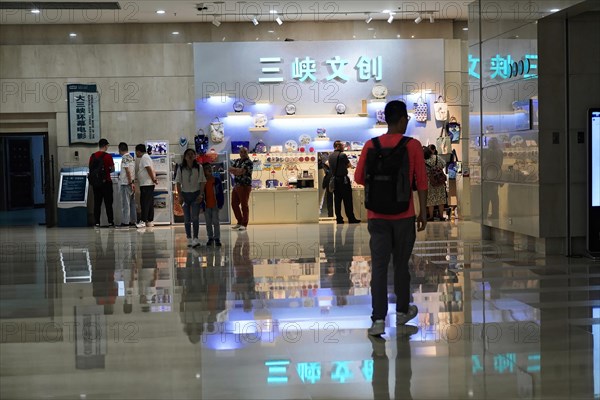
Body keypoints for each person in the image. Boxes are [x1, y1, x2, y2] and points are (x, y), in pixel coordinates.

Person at [354, 100, 428, 337]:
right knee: (401, 265)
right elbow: (421, 181)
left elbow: (358, 177)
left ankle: (378, 319)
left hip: (377, 216)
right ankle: (403, 311)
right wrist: (423, 210)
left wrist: (380, 189)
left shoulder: (370, 145)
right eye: (406, 118)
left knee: (378, 267)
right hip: (404, 215)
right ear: (402, 119)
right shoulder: (412, 145)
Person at [176, 149, 206, 247]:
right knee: (187, 218)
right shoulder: (180, 168)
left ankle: (195, 238)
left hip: (196, 194)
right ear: (184, 156)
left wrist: (201, 194)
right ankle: (189, 238)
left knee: (195, 217)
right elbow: (178, 183)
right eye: (188, 154)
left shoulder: (199, 167)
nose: (190, 156)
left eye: (192, 154)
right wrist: (180, 196)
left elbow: (202, 182)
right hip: (185, 195)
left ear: (195, 156)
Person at [328, 140, 360, 224]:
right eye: (342, 146)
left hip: (335, 180)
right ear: (338, 146)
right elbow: (349, 165)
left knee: (337, 200)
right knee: (347, 200)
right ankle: (351, 218)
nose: (343, 147)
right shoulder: (342, 155)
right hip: (343, 180)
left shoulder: (330, 156)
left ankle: (339, 219)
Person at [89, 138, 115, 227]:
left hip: (96, 183)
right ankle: (110, 222)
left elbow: (91, 169)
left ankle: (97, 222)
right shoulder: (108, 156)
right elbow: (113, 169)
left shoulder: (92, 156)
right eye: (107, 145)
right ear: (105, 146)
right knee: (108, 203)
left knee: (97, 203)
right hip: (106, 182)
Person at [228, 147, 253, 231]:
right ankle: (239, 221)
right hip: (237, 185)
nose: (243, 153)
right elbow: (230, 169)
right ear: (239, 152)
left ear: (247, 152)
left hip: (245, 186)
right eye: (241, 152)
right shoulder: (237, 161)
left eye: (244, 152)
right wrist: (237, 170)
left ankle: (244, 224)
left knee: (244, 205)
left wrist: (236, 171)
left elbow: (241, 171)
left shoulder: (249, 162)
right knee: (234, 204)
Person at [135, 144, 158, 229]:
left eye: (136, 151)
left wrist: (153, 179)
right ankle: (149, 220)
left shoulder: (144, 157)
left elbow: (149, 169)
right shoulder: (147, 157)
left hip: (146, 184)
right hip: (148, 184)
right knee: (149, 203)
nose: (136, 154)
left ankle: (143, 221)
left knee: (144, 203)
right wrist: (154, 179)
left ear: (138, 151)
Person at [202, 163, 224, 247]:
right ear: (203, 171)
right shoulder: (202, 182)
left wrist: (221, 203)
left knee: (216, 222)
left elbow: (220, 193)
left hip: (215, 204)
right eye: (206, 168)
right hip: (206, 205)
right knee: (208, 222)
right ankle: (210, 238)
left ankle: (217, 238)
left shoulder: (216, 180)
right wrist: (201, 205)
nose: (209, 169)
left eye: (209, 167)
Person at [424, 146, 447, 221]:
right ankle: (441, 216)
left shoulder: (425, 160)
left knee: (431, 200)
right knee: (441, 199)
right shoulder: (437, 157)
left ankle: (431, 216)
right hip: (439, 181)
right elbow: (444, 164)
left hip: (430, 182)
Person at [117, 142, 136, 229]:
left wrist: (130, 182)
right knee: (132, 204)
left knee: (126, 204)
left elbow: (127, 171)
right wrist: (132, 182)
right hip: (131, 182)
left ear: (120, 149)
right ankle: (133, 221)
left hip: (126, 183)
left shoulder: (124, 158)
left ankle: (125, 222)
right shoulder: (131, 157)